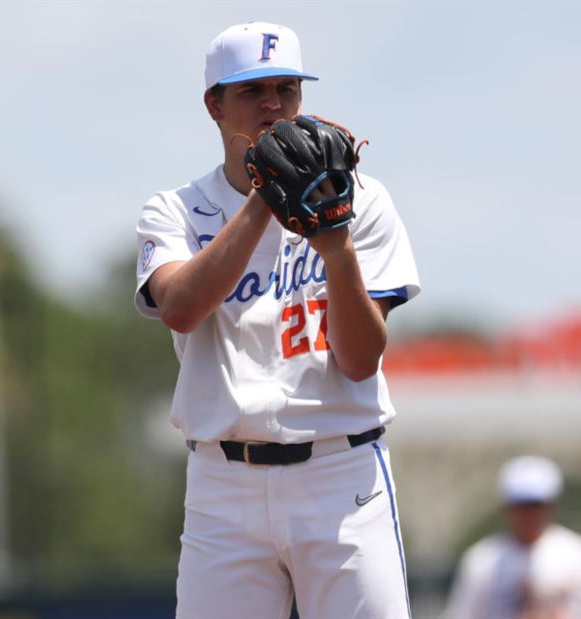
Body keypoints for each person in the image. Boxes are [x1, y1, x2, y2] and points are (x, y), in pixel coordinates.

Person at [133, 21, 421, 619]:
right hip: (224, 483)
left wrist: (336, 248)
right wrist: (269, 194)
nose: (273, 105)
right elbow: (181, 310)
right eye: (252, 90)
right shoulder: (177, 211)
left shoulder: (359, 199)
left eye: (286, 89)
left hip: (341, 474)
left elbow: (362, 360)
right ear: (215, 104)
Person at [442, 456, 581, 619]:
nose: (529, 514)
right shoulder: (482, 560)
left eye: (535, 505)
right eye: (521, 505)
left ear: (551, 505)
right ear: (507, 507)